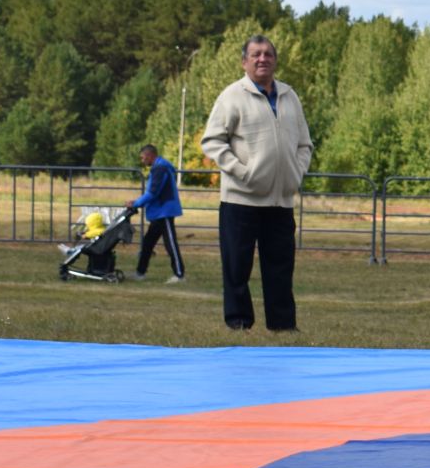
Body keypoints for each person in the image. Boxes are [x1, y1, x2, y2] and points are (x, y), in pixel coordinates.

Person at [201, 35, 312, 332]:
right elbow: (212, 141)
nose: (262, 59)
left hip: (281, 201)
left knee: (280, 268)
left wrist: (295, 174)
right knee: (237, 267)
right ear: (244, 62)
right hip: (241, 200)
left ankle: (283, 325)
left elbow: (305, 144)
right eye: (255, 54)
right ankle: (238, 322)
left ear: (275, 60)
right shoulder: (231, 96)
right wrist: (242, 172)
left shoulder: (290, 96)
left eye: (267, 54)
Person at [128, 143, 185, 283]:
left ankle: (179, 275)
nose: (142, 161)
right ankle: (140, 272)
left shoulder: (160, 169)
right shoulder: (161, 167)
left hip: (164, 211)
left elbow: (152, 192)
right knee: (147, 243)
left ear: (149, 155)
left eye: (143, 158)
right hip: (159, 212)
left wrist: (135, 203)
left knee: (170, 243)